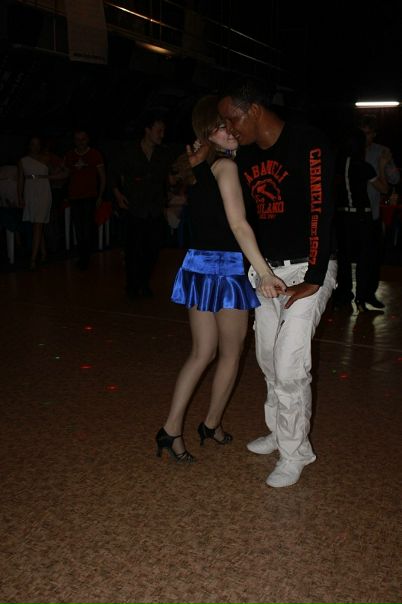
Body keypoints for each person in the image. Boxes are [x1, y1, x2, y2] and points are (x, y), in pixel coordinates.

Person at [217, 78, 337, 488]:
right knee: (268, 358)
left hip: (307, 269)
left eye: (232, 119)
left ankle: (294, 451)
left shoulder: (308, 141)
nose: (230, 128)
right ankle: (280, 431)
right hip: (267, 273)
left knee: (289, 365)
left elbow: (322, 210)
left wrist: (315, 277)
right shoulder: (246, 154)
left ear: (253, 110)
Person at [155, 95, 286, 463]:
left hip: (197, 265)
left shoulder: (199, 167)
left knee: (201, 353)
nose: (230, 132)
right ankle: (209, 424)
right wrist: (265, 272)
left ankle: (170, 430)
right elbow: (238, 225)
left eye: (229, 125)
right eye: (219, 128)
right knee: (229, 353)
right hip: (225, 269)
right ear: (206, 134)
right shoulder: (226, 167)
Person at [111, 111, 176, 297]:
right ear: (148, 130)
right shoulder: (129, 150)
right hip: (134, 207)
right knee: (132, 249)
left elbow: (169, 178)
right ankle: (132, 285)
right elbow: (114, 173)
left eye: (163, 131)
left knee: (152, 249)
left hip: (155, 207)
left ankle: (144, 282)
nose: (162, 135)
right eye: (159, 131)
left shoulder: (164, 153)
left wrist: (175, 181)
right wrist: (117, 194)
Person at [332, 127, 389, 312]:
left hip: (342, 217)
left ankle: (344, 295)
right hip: (362, 216)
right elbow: (384, 188)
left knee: (344, 258)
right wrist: (382, 167)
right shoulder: (363, 166)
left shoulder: (337, 165)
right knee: (366, 258)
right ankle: (361, 298)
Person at [358, 113, 400, 308]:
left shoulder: (381, 151)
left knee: (373, 257)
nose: (365, 137)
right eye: (362, 133)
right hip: (351, 212)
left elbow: (395, 179)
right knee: (350, 257)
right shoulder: (352, 150)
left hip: (372, 212)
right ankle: (347, 295)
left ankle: (368, 294)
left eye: (368, 133)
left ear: (374, 134)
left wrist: (386, 164)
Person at [63, 129, 106, 270]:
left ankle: (85, 257)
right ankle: (82, 255)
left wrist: (100, 196)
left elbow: (102, 177)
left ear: (87, 139)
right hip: (74, 197)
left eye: (83, 139)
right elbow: (65, 174)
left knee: (87, 227)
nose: (80, 142)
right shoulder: (70, 155)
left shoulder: (95, 154)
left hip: (89, 196)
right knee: (78, 228)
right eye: (77, 139)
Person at [17, 136, 62, 269]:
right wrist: (20, 197)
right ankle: (43, 253)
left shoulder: (46, 158)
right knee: (36, 223)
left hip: (43, 192)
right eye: (33, 144)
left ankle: (33, 259)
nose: (35, 147)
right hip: (30, 192)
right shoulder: (23, 161)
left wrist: (61, 168)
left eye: (37, 144)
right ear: (29, 145)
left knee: (38, 223)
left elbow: (54, 172)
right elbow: (20, 180)